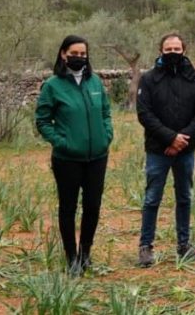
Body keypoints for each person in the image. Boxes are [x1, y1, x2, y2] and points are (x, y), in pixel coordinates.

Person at [35, 35, 113, 275]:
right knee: (68, 208)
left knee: (93, 206)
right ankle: (71, 258)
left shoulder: (95, 83)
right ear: (63, 54)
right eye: (74, 53)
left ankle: (85, 253)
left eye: (83, 54)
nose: (79, 57)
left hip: (97, 157)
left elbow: (106, 113)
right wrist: (61, 142)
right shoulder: (53, 85)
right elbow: (42, 120)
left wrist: (106, 135)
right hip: (67, 159)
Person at [136, 32, 195, 267]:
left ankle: (184, 245)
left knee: (185, 197)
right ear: (160, 51)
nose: (173, 53)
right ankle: (145, 247)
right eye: (168, 49)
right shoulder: (149, 79)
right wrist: (170, 139)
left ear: (184, 50)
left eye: (177, 49)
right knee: (152, 198)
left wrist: (181, 140)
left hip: (185, 150)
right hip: (158, 150)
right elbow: (144, 114)